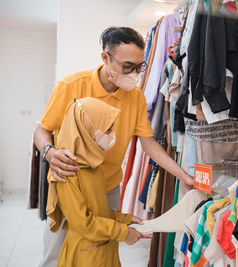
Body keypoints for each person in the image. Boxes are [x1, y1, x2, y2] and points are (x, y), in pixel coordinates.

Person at [34, 26, 194, 267]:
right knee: (57, 255)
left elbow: (148, 143)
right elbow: (42, 129)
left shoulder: (136, 96)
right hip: (71, 182)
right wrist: (50, 152)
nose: (134, 73)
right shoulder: (71, 86)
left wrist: (182, 175)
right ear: (105, 58)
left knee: (101, 253)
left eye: (140, 67)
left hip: (108, 186)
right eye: (127, 66)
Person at [51, 97, 141, 266]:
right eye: (107, 129)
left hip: (105, 252)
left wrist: (125, 219)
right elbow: (84, 223)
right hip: (85, 257)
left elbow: (99, 211)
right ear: (87, 130)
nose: (112, 134)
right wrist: (124, 232)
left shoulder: (93, 166)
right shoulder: (68, 173)